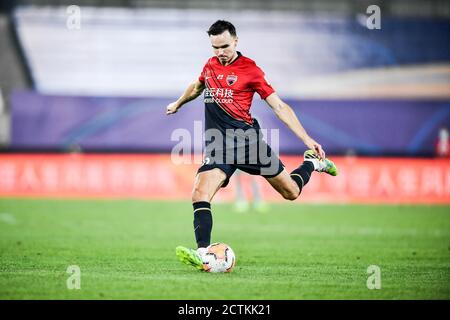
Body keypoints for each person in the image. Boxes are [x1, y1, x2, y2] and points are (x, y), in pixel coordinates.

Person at [166, 20, 337, 271]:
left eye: (224, 46)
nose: (220, 53)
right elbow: (197, 86)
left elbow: (279, 106)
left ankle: (312, 162)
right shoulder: (210, 65)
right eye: (215, 47)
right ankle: (203, 254)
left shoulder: (251, 70)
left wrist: (306, 139)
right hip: (218, 146)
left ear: (235, 41)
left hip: (249, 144)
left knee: (291, 192)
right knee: (199, 194)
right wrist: (178, 103)